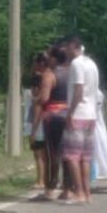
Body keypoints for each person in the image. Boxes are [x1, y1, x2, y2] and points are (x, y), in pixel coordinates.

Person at [62, 36, 100, 205]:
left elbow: (78, 89)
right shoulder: (92, 63)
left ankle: (79, 192)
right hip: (91, 114)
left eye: (66, 47)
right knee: (85, 157)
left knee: (72, 156)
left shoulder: (77, 64)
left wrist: (70, 112)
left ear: (73, 46)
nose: (65, 51)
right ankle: (87, 192)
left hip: (78, 113)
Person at [42, 45, 69, 199]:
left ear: (54, 58)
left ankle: (50, 188)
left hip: (53, 116)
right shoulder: (72, 72)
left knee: (52, 153)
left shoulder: (50, 74)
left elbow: (44, 98)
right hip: (69, 115)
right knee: (68, 152)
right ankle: (68, 188)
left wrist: (36, 98)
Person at [28, 54, 50, 191]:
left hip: (39, 123)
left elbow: (37, 107)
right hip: (46, 121)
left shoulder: (41, 80)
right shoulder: (48, 76)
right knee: (44, 153)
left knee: (39, 153)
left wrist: (33, 130)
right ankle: (45, 179)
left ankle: (40, 180)